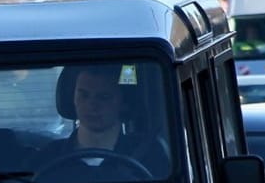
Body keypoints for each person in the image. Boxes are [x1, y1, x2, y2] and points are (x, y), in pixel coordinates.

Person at [36, 65, 167, 174]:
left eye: (104, 97)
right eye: (84, 95)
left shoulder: (149, 155)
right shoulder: (48, 158)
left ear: (124, 103)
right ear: (72, 98)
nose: (91, 105)